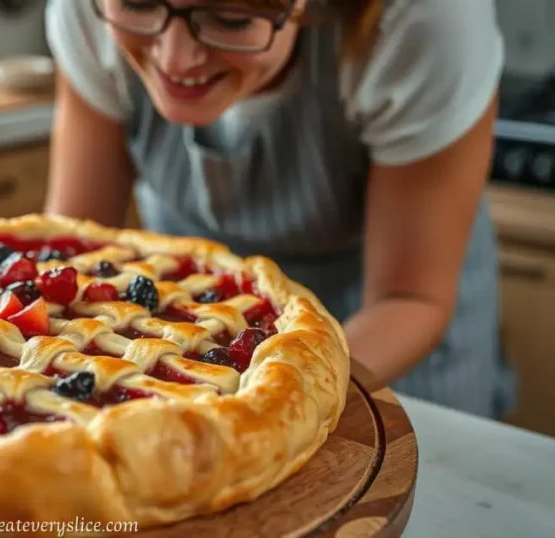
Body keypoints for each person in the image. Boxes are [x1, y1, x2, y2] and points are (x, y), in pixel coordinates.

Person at [43, 0, 516, 418]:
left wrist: (273, 391)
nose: (175, 59)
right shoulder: (88, 13)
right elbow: (74, 254)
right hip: (179, 337)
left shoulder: (425, 24)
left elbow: (409, 298)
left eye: (230, 19)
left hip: (387, 337)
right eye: (139, 4)